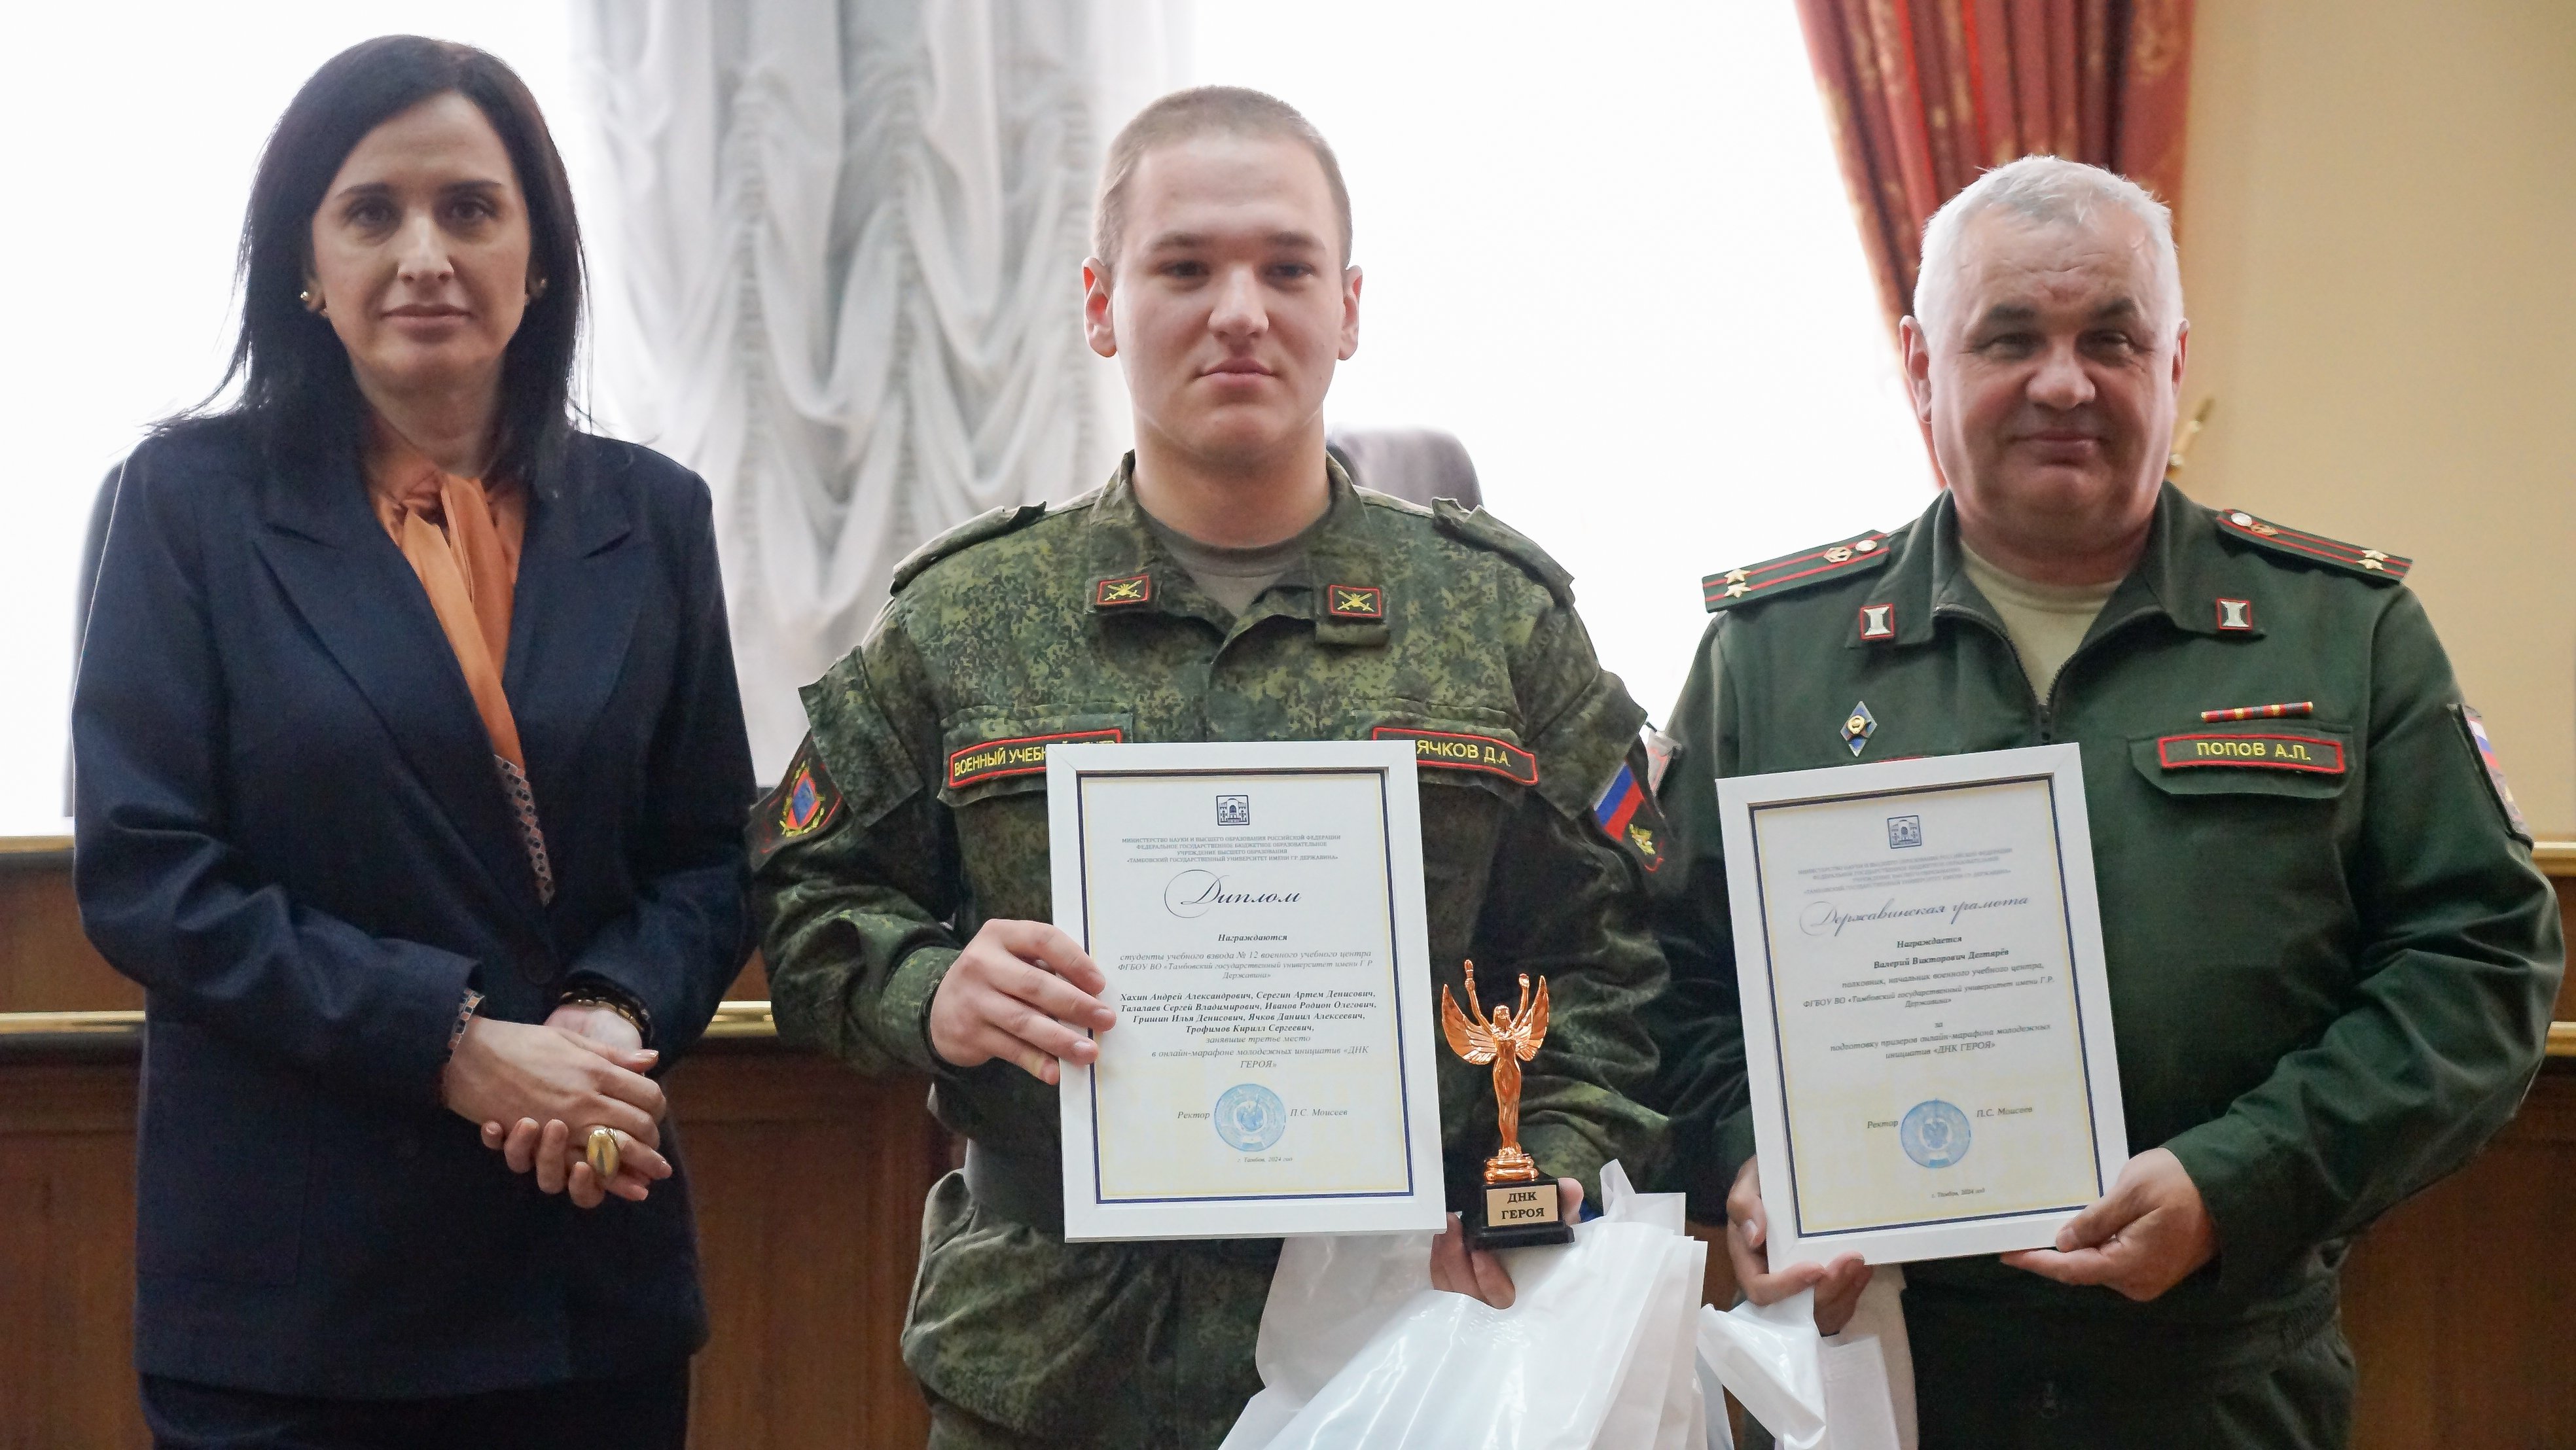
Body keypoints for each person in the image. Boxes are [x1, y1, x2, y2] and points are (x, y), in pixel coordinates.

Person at [753, 86, 1666, 1448]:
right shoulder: (967, 620)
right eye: (1185, 266)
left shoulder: (1499, 621)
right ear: (1101, 303)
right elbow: (804, 898)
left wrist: (1548, 1179)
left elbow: (1617, 955)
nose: (1240, 306)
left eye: (1286, 267)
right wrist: (933, 989)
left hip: (1417, 1343)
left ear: (1348, 308)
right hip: (1054, 1362)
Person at [1646, 154, 2566, 1448]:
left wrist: (2240, 1179)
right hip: (1883, 1377)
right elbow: (1662, 975)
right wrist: (1748, 1157)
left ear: (2176, 360)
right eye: (2010, 337)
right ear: (1920, 364)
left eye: (2111, 339)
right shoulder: (1773, 658)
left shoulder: (2343, 638)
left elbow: (2481, 964)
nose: (2065, 381)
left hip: (2221, 1375)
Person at [73, 36, 754, 1449]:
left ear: (541, 259)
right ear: (306, 265)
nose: (424, 253)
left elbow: (704, 859)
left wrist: (604, 1020)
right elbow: (149, 873)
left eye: (471, 208)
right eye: (371, 212)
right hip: (298, 1299)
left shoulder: (656, 515)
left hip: (584, 1260)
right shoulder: (185, 506)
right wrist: (449, 1043)